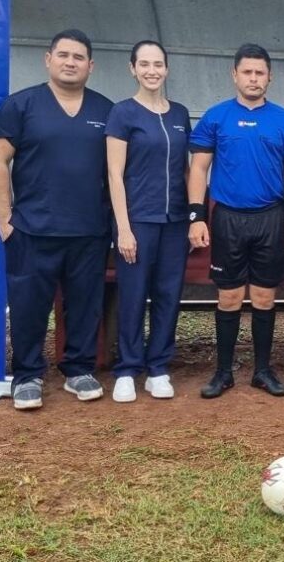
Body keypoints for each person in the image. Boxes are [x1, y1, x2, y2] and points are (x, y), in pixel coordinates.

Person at [0, 28, 114, 410]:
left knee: (84, 304)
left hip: (89, 231)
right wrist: (4, 219)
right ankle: (27, 375)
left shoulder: (106, 110)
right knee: (28, 305)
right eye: (64, 55)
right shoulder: (22, 105)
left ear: (90, 66)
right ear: (48, 59)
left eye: (78, 57)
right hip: (32, 229)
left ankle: (78, 370)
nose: (70, 62)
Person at [188, 43, 284, 399]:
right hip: (227, 218)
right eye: (247, 72)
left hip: (269, 218)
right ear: (235, 75)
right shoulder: (215, 117)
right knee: (228, 297)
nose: (253, 78)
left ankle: (262, 371)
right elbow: (198, 168)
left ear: (269, 77)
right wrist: (196, 216)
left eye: (260, 73)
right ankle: (223, 372)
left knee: (264, 297)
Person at [106, 40, 191, 402]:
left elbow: (186, 171)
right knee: (133, 294)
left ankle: (158, 367)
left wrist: (192, 218)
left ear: (167, 69)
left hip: (173, 223)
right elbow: (114, 173)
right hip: (137, 220)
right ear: (133, 68)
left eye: (158, 64)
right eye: (145, 64)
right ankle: (127, 368)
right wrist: (123, 228)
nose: (152, 70)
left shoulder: (180, 114)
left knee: (168, 295)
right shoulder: (123, 113)